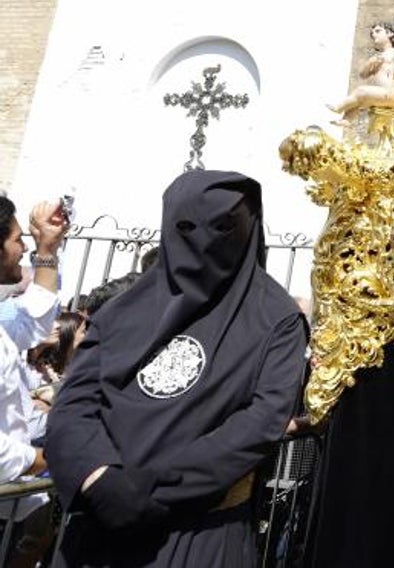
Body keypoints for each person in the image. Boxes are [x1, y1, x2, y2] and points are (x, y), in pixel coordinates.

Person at [45, 170, 310, 567]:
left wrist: (151, 489)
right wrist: (99, 479)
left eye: (223, 227)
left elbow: (260, 421)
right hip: (100, 524)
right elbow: (75, 403)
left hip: (200, 534)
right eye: (187, 226)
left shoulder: (275, 317)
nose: (205, 239)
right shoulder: (122, 311)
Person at [0, 194, 68, 565]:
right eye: (15, 239)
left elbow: (32, 322)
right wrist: (43, 461)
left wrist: (48, 249)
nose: (22, 247)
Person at [328, 22, 394, 124]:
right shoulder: (375, 57)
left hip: (390, 93)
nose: (373, 34)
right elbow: (363, 75)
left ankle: (339, 107)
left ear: (389, 33)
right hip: (378, 92)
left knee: (361, 91)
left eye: (378, 31)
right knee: (358, 101)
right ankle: (347, 120)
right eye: (372, 33)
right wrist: (369, 63)